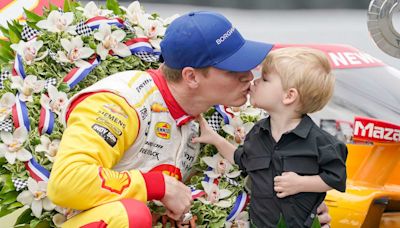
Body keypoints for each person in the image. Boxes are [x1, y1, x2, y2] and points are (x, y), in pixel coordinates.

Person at [47, 11, 331, 227]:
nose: (249, 76)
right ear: (191, 76)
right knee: (133, 215)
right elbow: (66, 183)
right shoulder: (119, 103)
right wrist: (159, 185)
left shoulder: (210, 117)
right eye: (234, 69)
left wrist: (299, 204)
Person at [193, 47, 347, 227]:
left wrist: (302, 183)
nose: (254, 81)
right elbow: (241, 159)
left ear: (289, 96)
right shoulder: (258, 132)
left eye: (265, 79)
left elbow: (336, 177)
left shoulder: (321, 142)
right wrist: (215, 139)